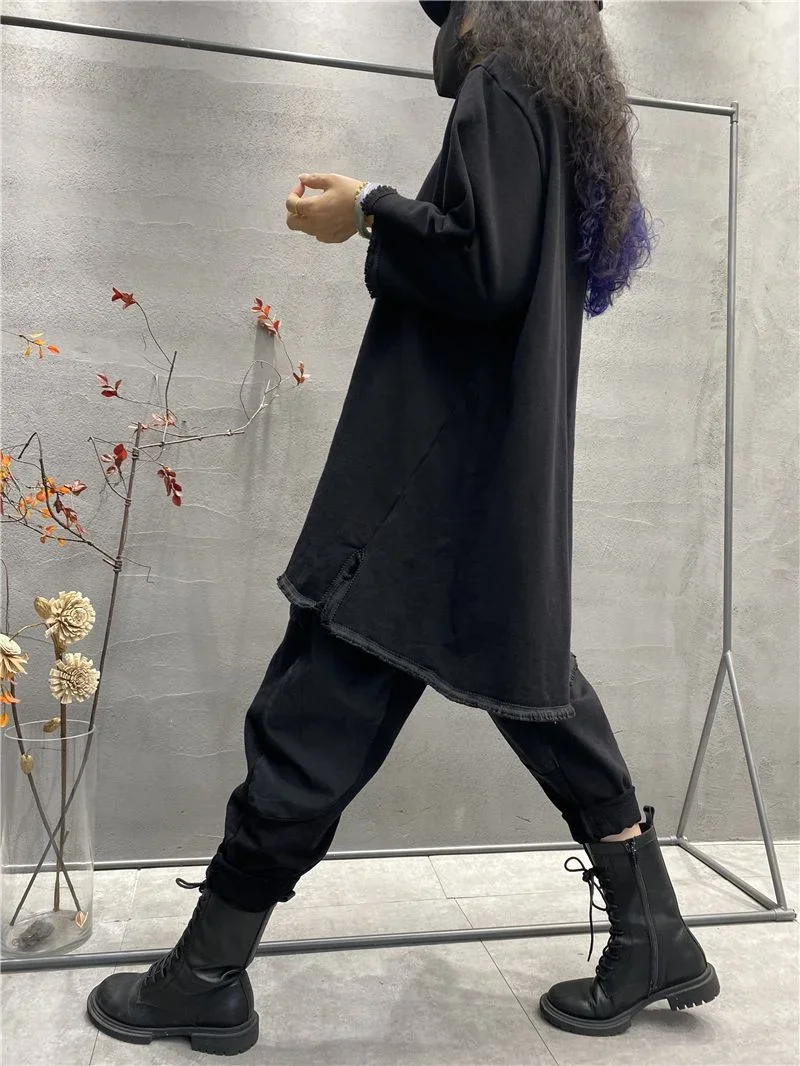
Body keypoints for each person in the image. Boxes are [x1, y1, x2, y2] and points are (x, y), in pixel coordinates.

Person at [87, 0, 720, 1055]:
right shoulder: (559, 96)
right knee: (533, 683)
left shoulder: (503, 82)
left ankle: (205, 973)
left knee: (315, 709)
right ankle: (654, 932)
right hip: (492, 475)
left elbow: (483, 267)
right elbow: (509, 268)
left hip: (428, 475)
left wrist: (369, 210)